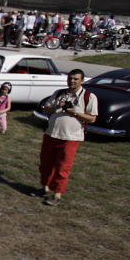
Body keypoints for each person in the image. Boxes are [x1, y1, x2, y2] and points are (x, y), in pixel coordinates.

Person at [36, 69, 98, 206]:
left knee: (62, 166)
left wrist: (75, 112)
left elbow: (92, 118)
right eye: (70, 78)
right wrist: (57, 106)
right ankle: (44, 188)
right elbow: (46, 109)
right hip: (51, 133)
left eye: (76, 79)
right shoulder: (59, 93)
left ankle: (57, 194)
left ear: (82, 81)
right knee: (45, 164)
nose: (72, 81)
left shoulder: (89, 97)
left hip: (70, 137)